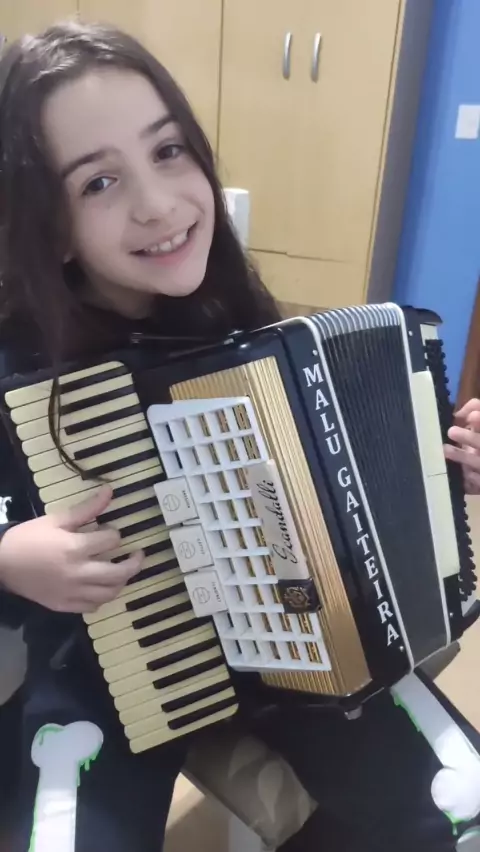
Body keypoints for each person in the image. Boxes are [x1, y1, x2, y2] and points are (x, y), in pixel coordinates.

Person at [0, 20, 479, 852]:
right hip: (106, 668)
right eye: (99, 181)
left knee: (462, 811)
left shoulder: (234, 322)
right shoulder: (18, 357)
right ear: (49, 224)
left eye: (169, 151)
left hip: (295, 648)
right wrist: (9, 555)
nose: (158, 204)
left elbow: (341, 488)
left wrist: (449, 462)